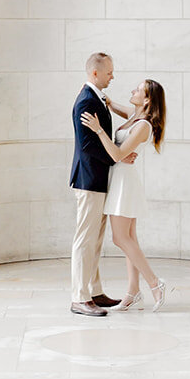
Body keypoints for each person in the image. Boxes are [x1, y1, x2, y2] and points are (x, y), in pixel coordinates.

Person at [81, 77, 169, 311]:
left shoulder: (143, 125)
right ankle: (133, 291)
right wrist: (104, 98)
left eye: (138, 89)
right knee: (130, 239)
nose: (133, 89)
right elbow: (114, 105)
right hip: (121, 179)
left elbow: (118, 155)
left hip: (124, 182)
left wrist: (99, 130)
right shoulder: (135, 115)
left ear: (148, 99)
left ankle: (155, 283)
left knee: (120, 238)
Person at [69, 51, 136, 317]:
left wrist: (119, 153)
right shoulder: (86, 101)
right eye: (109, 72)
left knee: (94, 240)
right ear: (95, 73)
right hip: (88, 180)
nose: (112, 76)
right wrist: (116, 157)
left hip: (97, 179)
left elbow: (101, 141)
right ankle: (79, 297)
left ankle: (94, 292)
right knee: (84, 240)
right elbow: (88, 146)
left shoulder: (98, 98)